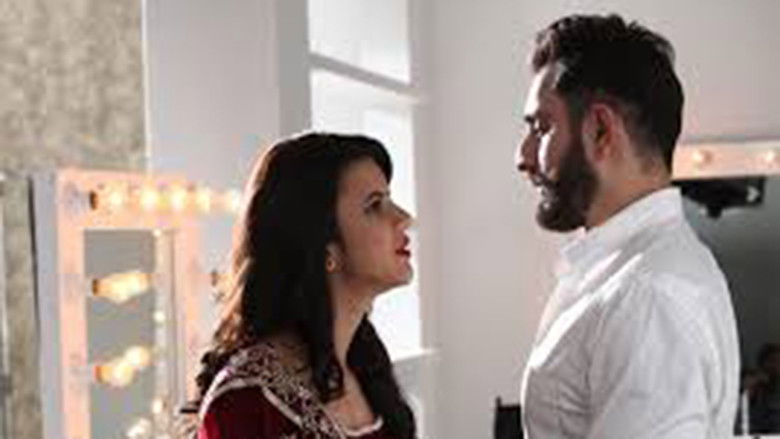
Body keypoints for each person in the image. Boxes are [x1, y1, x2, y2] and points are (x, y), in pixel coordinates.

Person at [515, 14, 740, 438]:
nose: (522, 157)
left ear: (601, 130)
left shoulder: (647, 295)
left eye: (541, 128)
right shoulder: (633, 276)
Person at [183, 132, 417, 438]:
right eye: (374, 205)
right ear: (323, 245)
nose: (404, 218)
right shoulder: (247, 402)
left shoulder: (367, 367)